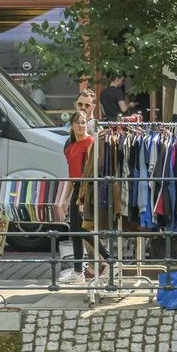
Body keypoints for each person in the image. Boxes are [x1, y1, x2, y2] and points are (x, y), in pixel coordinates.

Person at [57, 112, 96, 282]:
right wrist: (63, 199)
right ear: (72, 125)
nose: (81, 126)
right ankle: (78, 271)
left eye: (83, 122)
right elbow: (71, 176)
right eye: (78, 123)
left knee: (83, 229)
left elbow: (90, 170)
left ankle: (109, 259)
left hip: (86, 188)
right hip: (76, 188)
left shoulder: (90, 142)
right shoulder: (69, 146)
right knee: (75, 231)